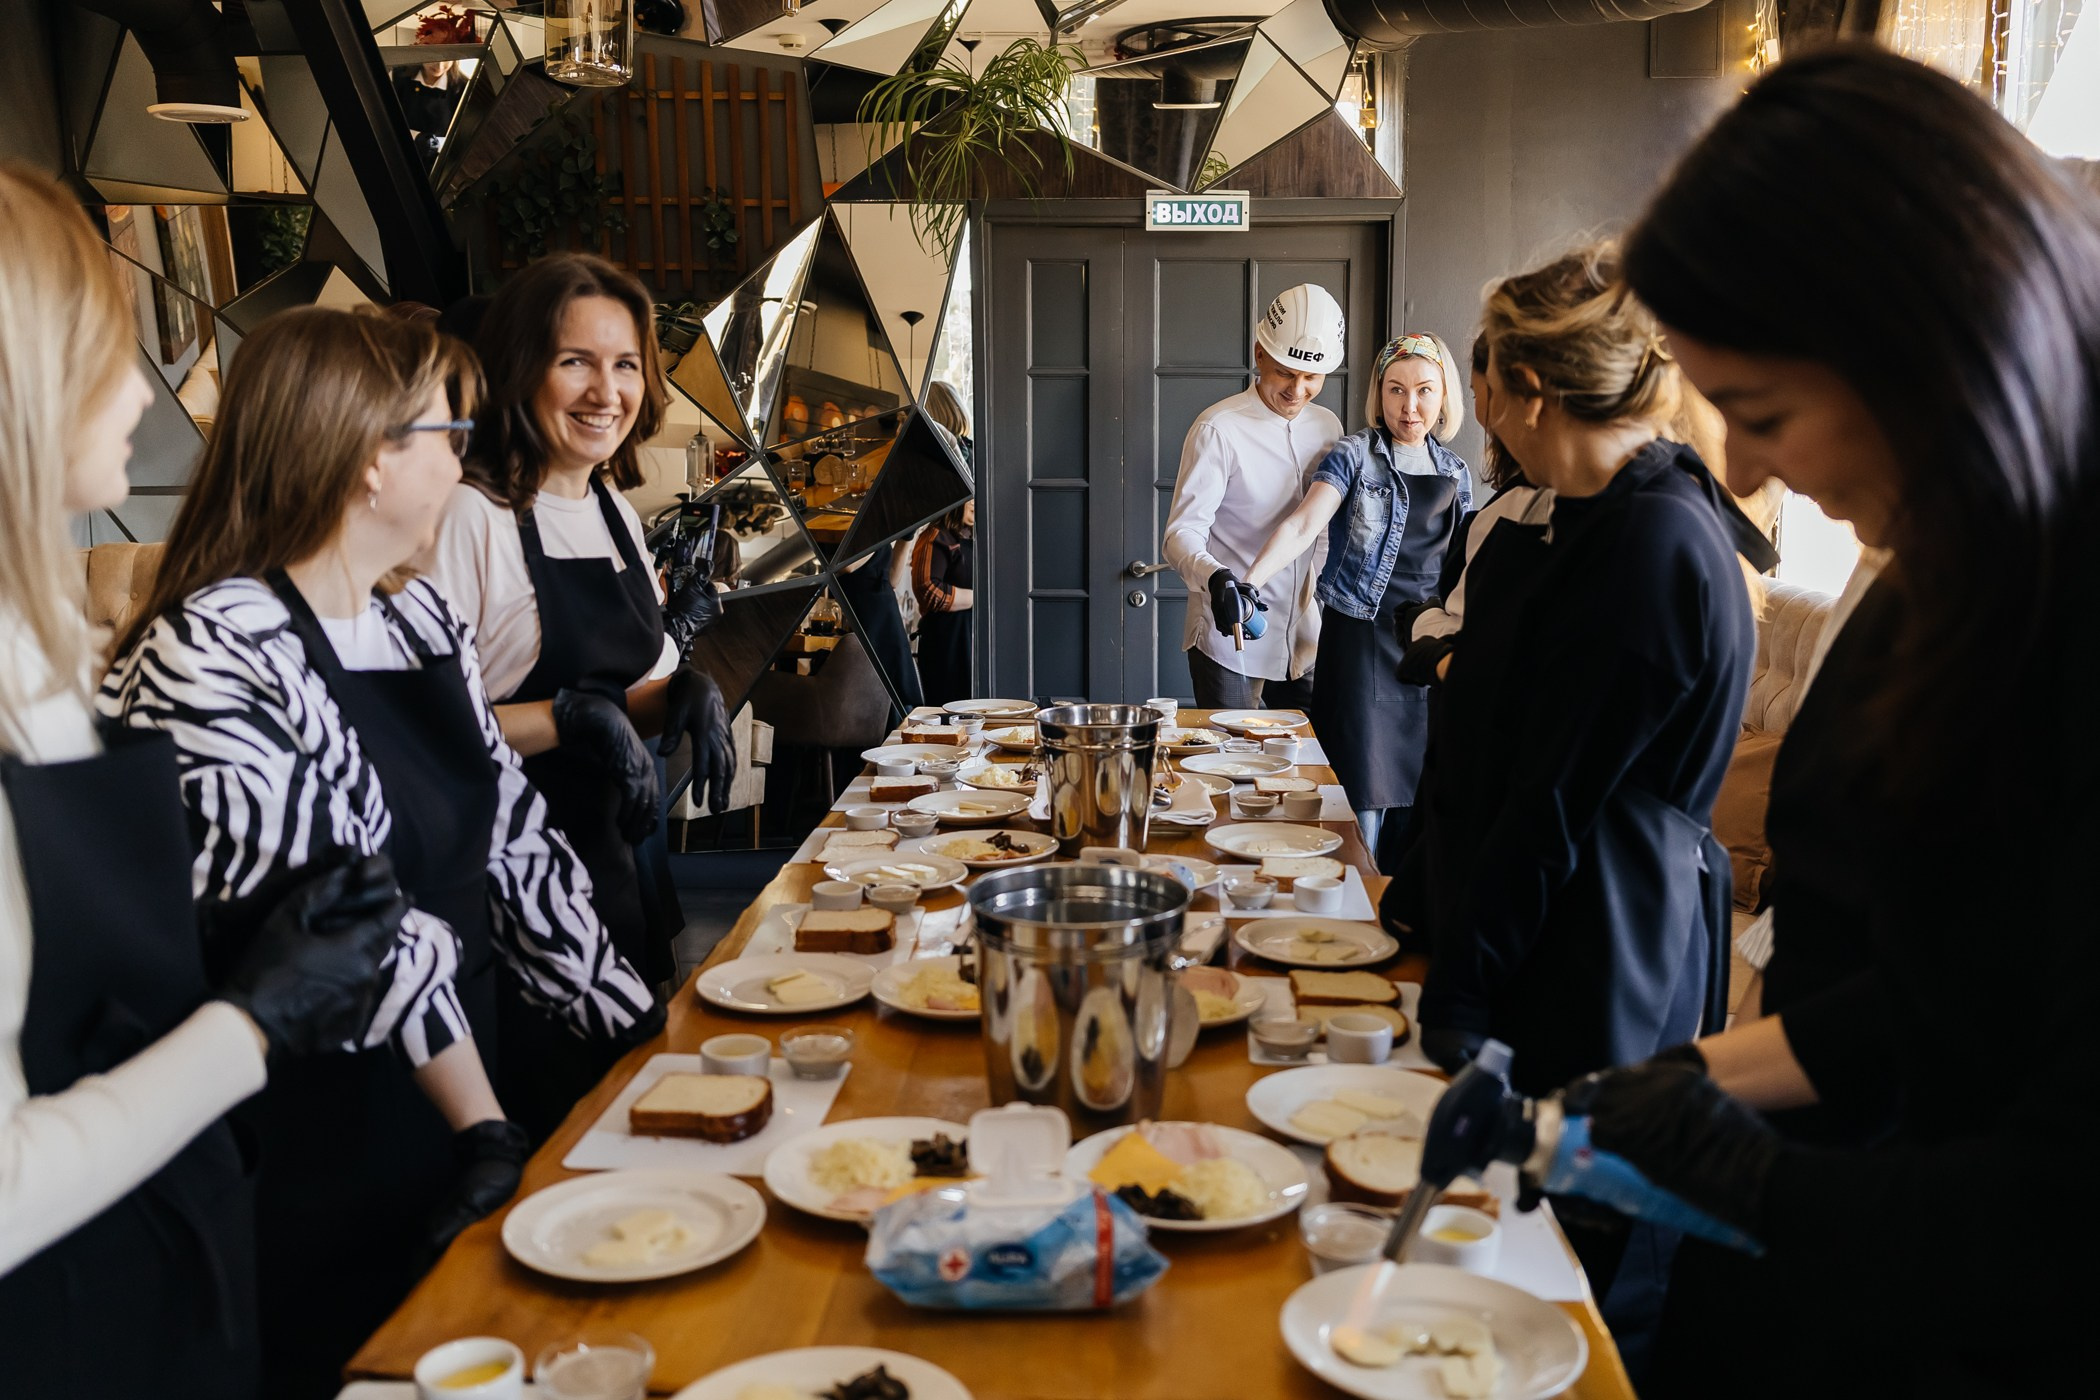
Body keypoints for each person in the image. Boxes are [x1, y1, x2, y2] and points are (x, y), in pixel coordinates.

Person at [1538, 47, 2100, 1396]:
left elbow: (2059, 1215)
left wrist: (1746, 1180)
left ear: (1927, 343)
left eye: (1765, 413)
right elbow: (1948, 990)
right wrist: (1691, 1080)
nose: (1743, 468)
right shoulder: (1972, 586)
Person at [102, 305, 659, 1398]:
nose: (467, 460)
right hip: (322, 1106)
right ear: (368, 460)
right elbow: (340, 905)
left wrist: (637, 1031)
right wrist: (483, 1121)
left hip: (465, 1064)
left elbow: (517, 845)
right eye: (450, 435)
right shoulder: (211, 641)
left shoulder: (416, 620)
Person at [0, 164, 401, 1399]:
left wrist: (240, 942)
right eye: (111, 351)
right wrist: (252, 1020)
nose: (142, 389)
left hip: (169, 1258)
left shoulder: (38, 645)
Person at [1412, 241, 1770, 1094]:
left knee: (1557, 1218)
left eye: (1493, 390)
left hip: (1593, 947)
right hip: (1550, 924)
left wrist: (1461, 991)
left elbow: (1556, 798)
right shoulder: (1604, 516)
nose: (1486, 415)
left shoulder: (1650, 540)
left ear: (1534, 393)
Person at [420, 253, 732, 1125]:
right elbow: (428, 731)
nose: (607, 390)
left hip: (612, 866)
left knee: (621, 1115)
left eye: (626, 363)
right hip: (503, 894)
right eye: (575, 362)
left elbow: (616, 695)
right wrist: (569, 718)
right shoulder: (470, 516)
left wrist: (678, 696)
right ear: (522, 365)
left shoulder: (614, 513)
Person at [1243, 332, 1470, 855]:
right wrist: (1250, 582)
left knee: (1418, 791)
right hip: (1360, 637)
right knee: (1361, 790)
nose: (1408, 406)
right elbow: (1303, 527)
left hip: (1426, 642)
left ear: (1443, 397)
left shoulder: (1455, 472)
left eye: (1423, 390)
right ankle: (1355, 908)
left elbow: (1461, 572)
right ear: (1379, 393)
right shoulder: (1355, 455)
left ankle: (1398, 911)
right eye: (1395, 390)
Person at [1162, 284, 1346, 709]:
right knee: (1233, 764)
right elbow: (1180, 535)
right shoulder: (1217, 429)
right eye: (1286, 372)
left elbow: (1320, 528)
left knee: (1311, 766)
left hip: (1305, 632)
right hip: (1231, 636)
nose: (1297, 390)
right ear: (1260, 353)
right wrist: (1216, 577)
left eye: (1311, 377)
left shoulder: (1328, 427)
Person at [911, 499, 975, 705]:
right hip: (946, 644)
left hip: (974, 643)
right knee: (947, 709)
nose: (976, 503)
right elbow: (928, 590)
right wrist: (980, 598)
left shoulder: (982, 539)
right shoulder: (936, 536)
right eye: (970, 497)